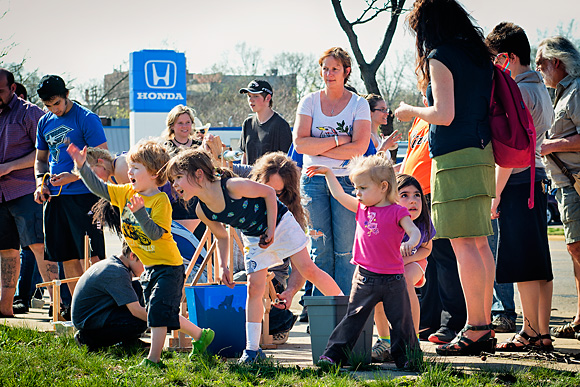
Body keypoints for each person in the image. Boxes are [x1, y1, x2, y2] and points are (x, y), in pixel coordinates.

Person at [165, 148, 342, 364]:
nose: (174, 185)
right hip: (254, 237)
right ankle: (252, 350)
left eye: (178, 178)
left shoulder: (232, 186)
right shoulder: (203, 210)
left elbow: (268, 193)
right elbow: (221, 236)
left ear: (199, 174)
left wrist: (270, 230)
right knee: (254, 287)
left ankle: (349, 314)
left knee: (308, 269)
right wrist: (223, 266)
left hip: (279, 223)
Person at [395, 0, 496, 356]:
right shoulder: (479, 57)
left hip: (455, 159)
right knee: (480, 243)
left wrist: (410, 110)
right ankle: (482, 324)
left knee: (463, 245)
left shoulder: (440, 56)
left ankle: (476, 327)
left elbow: (444, 113)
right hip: (483, 155)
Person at [67, 139, 214, 369]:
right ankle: (202, 336)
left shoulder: (160, 201)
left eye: (136, 167)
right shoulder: (126, 192)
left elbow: (156, 235)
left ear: (155, 174)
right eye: (130, 166)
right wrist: (82, 167)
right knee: (163, 312)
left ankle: (153, 361)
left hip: (169, 267)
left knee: (156, 311)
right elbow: (99, 188)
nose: (129, 171)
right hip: (151, 266)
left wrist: (140, 213)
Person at [307, 154, 421, 369]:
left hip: (393, 279)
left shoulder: (398, 211)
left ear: (383, 187)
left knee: (401, 321)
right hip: (364, 277)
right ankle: (333, 356)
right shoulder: (362, 209)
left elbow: (414, 232)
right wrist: (329, 173)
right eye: (356, 188)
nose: (357, 193)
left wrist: (411, 243)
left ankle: (407, 358)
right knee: (353, 318)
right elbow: (340, 195)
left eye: (363, 188)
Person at [485, 22, 555, 351]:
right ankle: (541, 331)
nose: (495, 67)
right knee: (539, 261)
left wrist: (496, 194)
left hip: (518, 181)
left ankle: (529, 332)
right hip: (537, 178)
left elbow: (511, 152)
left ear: (509, 57)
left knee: (523, 262)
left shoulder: (518, 90)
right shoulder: (539, 86)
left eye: (496, 59)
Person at [294, 47, 372, 296]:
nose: (329, 74)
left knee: (346, 249)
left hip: (347, 182)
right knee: (320, 248)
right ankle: (320, 309)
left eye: (335, 69)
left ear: (346, 71)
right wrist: (340, 141)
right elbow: (300, 144)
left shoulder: (359, 104)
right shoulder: (309, 101)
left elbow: (359, 147)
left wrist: (320, 147)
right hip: (313, 180)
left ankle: (349, 310)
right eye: (325, 68)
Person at [34, 74, 107, 298]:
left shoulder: (86, 118)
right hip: (55, 198)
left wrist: (74, 176)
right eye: (48, 105)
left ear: (67, 95)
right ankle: (79, 309)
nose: (53, 109)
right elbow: (40, 159)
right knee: (66, 256)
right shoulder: (44, 121)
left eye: (56, 103)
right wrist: (40, 183)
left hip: (85, 194)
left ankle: (102, 305)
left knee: (93, 257)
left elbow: (102, 158)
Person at [535, 36, 580, 339]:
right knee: (576, 250)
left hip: (575, 183)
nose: (538, 69)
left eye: (540, 63)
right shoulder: (562, 93)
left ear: (556, 62)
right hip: (567, 184)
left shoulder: (576, 91)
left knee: (577, 248)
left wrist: (550, 145)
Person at [0, 68, 49, 317]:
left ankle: (62, 308)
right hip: (0, 196)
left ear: (13, 88)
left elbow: (45, 152)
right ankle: (4, 308)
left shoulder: (30, 113)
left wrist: (9, 166)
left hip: (25, 190)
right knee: (6, 251)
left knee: (38, 246)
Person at [372, 173, 435, 362]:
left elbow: (427, 249)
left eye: (417, 195)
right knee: (377, 291)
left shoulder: (423, 221)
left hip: (414, 261)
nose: (413, 200)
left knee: (406, 280)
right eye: (405, 195)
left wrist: (405, 261)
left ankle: (412, 340)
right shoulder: (383, 219)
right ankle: (384, 340)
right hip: (386, 264)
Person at [72, 240, 148, 351]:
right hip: (88, 323)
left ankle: (130, 341)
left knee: (137, 288)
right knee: (140, 322)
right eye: (144, 262)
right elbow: (136, 311)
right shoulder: (117, 272)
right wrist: (165, 320)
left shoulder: (116, 264)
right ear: (132, 255)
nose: (145, 268)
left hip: (97, 314)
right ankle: (87, 340)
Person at [238, 80, 292, 165]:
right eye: (249, 96)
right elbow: (244, 157)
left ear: (268, 98)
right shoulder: (247, 123)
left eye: (255, 96)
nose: (251, 100)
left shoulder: (281, 125)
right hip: (248, 177)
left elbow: (287, 161)